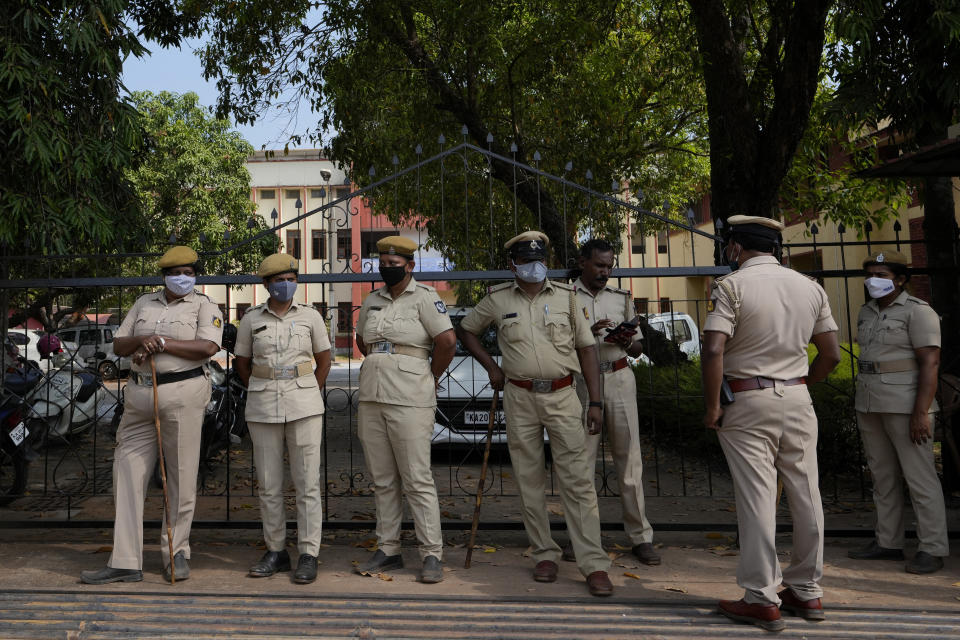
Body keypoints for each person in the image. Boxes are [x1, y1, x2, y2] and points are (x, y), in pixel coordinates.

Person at [457, 230, 615, 597]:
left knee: (578, 481)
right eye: (526, 261)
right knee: (529, 479)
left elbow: (587, 350)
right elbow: (467, 331)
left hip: (563, 396)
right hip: (519, 397)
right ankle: (544, 553)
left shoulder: (568, 297)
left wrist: (595, 401)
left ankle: (593, 563)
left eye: (539, 260)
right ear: (512, 264)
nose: (534, 267)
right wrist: (492, 369)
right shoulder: (497, 299)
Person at [702, 216, 840, 632]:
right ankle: (807, 590)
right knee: (806, 492)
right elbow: (831, 355)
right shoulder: (810, 288)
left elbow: (712, 349)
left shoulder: (731, 286)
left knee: (758, 497)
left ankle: (761, 597)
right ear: (775, 248)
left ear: (735, 248)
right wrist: (801, 383)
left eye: (729, 247)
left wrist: (712, 406)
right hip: (798, 397)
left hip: (747, 400)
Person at [81, 246, 222, 584]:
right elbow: (119, 344)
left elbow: (207, 347)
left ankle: (176, 552)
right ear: (164, 276)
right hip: (140, 394)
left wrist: (160, 343)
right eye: (177, 272)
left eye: (190, 272)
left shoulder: (204, 305)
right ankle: (126, 559)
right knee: (126, 472)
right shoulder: (144, 303)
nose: (184, 278)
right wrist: (143, 338)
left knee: (181, 475)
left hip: (183, 393)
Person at [354, 236, 456, 584]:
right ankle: (389, 548)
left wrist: (429, 375)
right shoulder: (372, 300)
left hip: (412, 396)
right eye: (383, 263)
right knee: (382, 479)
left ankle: (431, 554)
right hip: (372, 395)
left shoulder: (426, 298)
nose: (387, 268)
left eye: (394, 264)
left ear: (410, 266)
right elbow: (361, 342)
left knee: (416, 478)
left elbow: (446, 342)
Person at [847, 250, 948, 574]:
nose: (874, 281)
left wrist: (921, 412)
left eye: (882, 275)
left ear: (901, 279)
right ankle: (888, 542)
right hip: (870, 401)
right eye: (871, 274)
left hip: (905, 405)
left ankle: (932, 548)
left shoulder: (919, 312)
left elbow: (930, 363)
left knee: (920, 479)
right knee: (882, 477)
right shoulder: (867, 311)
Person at [234, 253, 332, 584]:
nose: (285, 284)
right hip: (263, 405)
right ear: (266, 284)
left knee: (307, 483)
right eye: (278, 280)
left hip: (305, 404)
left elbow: (324, 359)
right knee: (269, 484)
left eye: (291, 278)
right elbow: (242, 363)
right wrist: (263, 386)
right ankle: (276, 550)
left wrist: (308, 389)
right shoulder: (250, 319)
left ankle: (308, 553)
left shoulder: (311, 317)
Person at [568, 239, 659, 566]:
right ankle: (584, 537)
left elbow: (638, 348)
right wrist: (586, 333)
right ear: (583, 262)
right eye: (599, 266)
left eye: (609, 266)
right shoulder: (566, 296)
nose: (605, 272)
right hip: (581, 382)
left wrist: (625, 339)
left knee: (629, 459)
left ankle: (641, 537)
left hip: (620, 376)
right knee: (581, 462)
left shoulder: (621, 298)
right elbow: (558, 344)